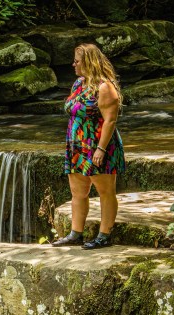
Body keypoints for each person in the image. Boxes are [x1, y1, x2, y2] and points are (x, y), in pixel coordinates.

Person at [51, 43, 126, 249]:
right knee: (78, 192)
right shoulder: (78, 84)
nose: (73, 64)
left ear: (89, 62)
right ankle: (76, 234)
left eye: (77, 61)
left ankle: (104, 235)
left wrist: (100, 149)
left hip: (98, 146)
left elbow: (110, 121)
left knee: (105, 192)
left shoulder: (105, 87)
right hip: (77, 146)